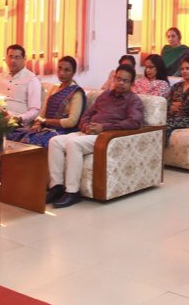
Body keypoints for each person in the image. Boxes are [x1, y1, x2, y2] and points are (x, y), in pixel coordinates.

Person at [47, 64, 145, 208]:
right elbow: (87, 115)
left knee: (74, 144)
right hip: (89, 132)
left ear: (132, 83)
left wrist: (103, 128)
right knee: (55, 141)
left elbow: (134, 122)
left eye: (125, 81)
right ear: (114, 78)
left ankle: (73, 192)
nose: (121, 83)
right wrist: (86, 126)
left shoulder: (133, 100)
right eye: (118, 79)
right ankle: (57, 187)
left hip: (107, 136)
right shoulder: (105, 95)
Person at [9, 56, 85, 148]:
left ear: (73, 73)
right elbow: (42, 114)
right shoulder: (54, 88)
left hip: (62, 132)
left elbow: (71, 122)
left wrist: (45, 121)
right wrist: (37, 124)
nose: (62, 73)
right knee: (12, 133)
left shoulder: (76, 93)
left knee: (30, 140)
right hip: (46, 128)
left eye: (67, 70)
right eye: (60, 68)